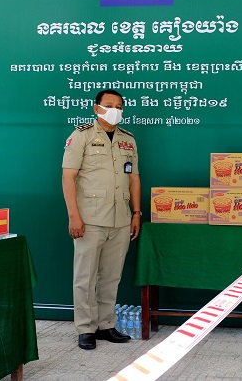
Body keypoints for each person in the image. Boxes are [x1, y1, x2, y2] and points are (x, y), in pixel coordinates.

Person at [62, 89, 142, 350]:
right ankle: (86, 328)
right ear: (96, 108)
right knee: (85, 277)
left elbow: (134, 179)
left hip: (120, 219)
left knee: (111, 276)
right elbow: (68, 177)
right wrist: (74, 216)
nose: (115, 110)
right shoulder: (81, 135)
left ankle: (106, 325)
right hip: (90, 219)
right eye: (109, 105)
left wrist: (136, 213)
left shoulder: (128, 139)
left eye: (119, 106)